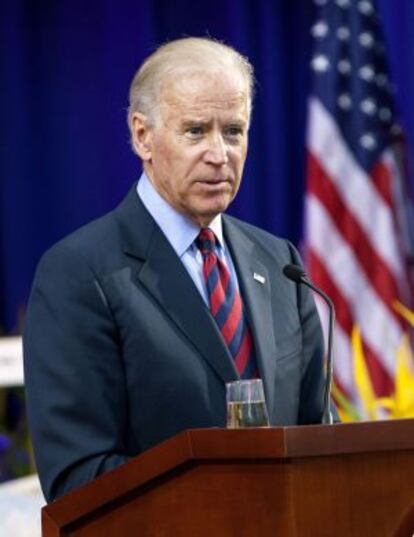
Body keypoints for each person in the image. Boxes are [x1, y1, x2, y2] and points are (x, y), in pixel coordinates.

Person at [23, 37, 326, 502]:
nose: (219, 154)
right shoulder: (79, 274)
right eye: (195, 131)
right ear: (142, 136)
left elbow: (317, 439)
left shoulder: (280, 262)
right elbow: (80, 477)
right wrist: (225, 507)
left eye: (233, 131)